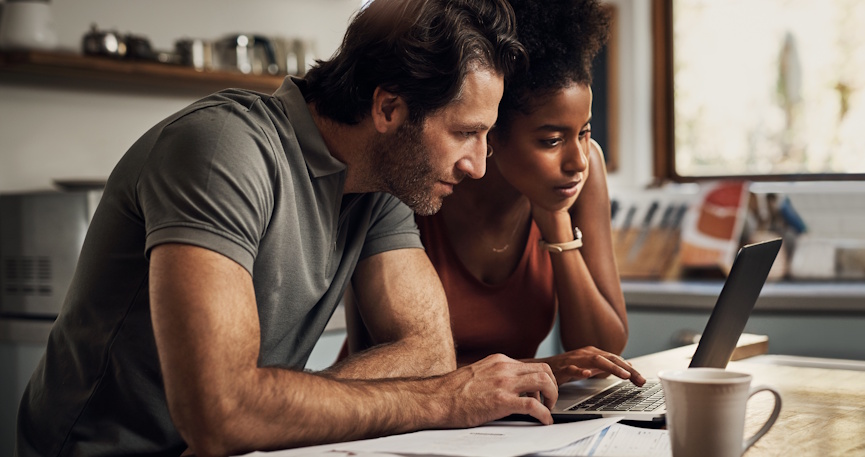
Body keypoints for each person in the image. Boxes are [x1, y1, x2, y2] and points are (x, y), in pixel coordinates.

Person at [15, 1, 564, 456]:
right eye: (465, 133)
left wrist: (270, 410)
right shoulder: (223, 150)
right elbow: (222, 413)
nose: (478, 166)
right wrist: (442, 401)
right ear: (389, 108)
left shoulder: (382, 183)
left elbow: (428, 353)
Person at [342, 0, 646, 388]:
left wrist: (555, 221)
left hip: (503, 419)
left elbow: (603, 350)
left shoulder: (581, 175)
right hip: (394, 411)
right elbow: (386, 360)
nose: (578, 161)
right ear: (491, 130)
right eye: (551, 140)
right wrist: (544, 369)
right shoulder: (419, 180)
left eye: (584, 131)